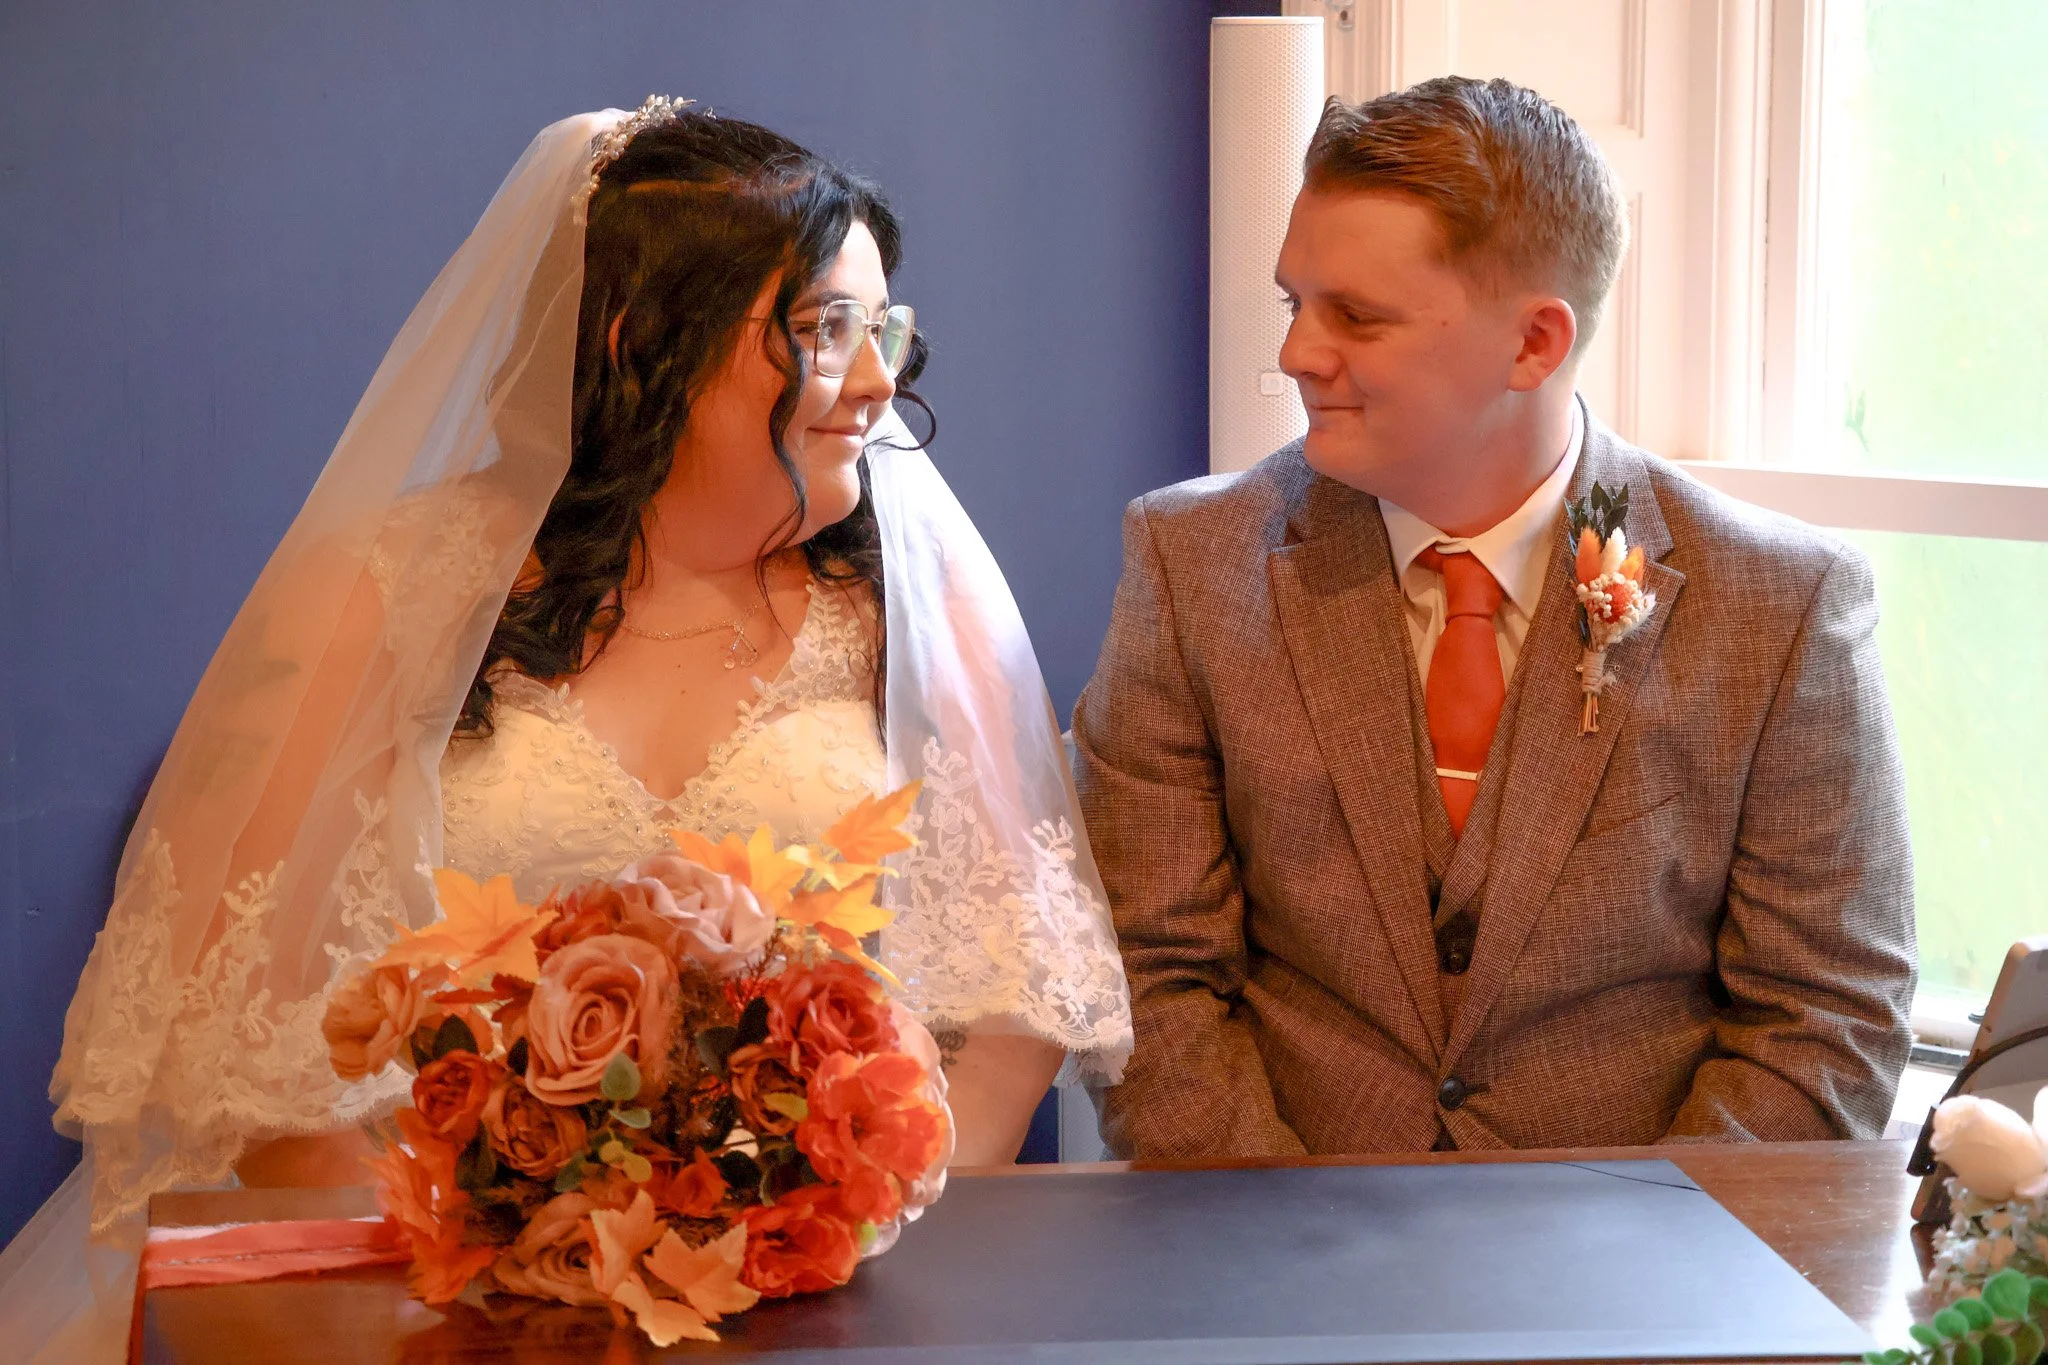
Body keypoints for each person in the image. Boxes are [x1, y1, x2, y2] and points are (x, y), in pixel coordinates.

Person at [2, 98, 1130, 1361]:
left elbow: (1011, 1020)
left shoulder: (912, 611)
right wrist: (488, 1266)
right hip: (432, 1296)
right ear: (639, 337)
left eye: (883, 327)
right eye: (823, 332)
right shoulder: (382, 596)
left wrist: (827, 1240)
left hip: (846, 1303)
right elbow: (252, 1049)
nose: (877, 381)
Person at [1074, 76, 1915, 1160]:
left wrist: (1628, 1279)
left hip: (1641, 1288)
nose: (1296, 355)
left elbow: (1823, 1019)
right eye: (1295, 304)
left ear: (1533, 344)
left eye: (1356, 317)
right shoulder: (1190, 564)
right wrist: (1272, 1256)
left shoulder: (1782, 603)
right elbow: (1146, 974)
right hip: (1273, 1258)